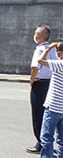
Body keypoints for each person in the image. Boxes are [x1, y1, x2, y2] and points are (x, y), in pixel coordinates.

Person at [27, 25, 56, 154]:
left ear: (39, 36)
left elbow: (35, 67)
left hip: (40, 84)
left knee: (38, 113)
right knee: (48, 113)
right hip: (51, 83)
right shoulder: (54, 49)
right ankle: (48, 141)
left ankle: (40, 142)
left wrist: (32, 79)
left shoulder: (40, 49)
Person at [38, 41, 63, 158]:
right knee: (62, 140)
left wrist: (48, 48)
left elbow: (40, 61)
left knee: (47, 138)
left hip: (53, 106)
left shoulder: (59, 64)